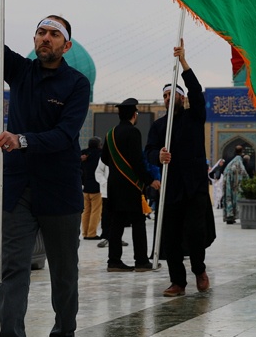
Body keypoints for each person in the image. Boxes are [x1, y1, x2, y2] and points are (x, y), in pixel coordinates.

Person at [0, 0, 91, 337]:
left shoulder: (77, 85)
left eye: (54, 34)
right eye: (41, 32)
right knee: (12, 270)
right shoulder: (21, 72)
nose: (46, 38)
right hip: (20, 186)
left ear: (66, 44)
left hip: (59, 189)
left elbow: (65, 135)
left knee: (64, 269)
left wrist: (21, 139)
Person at [158, 40, 214, 297]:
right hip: (171, 188)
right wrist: (157, 155)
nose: (169, 99)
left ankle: (199, 270)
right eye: (166, 96)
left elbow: (196, 89)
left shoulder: (194, 117)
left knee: (194, 233)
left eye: (173, 95)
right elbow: (149, 149)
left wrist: (183, 63)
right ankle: (177, 282)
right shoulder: (160, 126)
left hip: (194, 187)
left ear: (182, 98)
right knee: (170, 238)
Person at [102, 99, 157, 272]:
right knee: (138, 223)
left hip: (114, 185)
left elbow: (104, 159)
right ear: (134, 115)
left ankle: (114, 261)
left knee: (116, 223)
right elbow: (137, 161)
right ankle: (141, 261)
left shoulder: (110, 134)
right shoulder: (134, 132)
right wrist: (150, 180)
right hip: (130, 185)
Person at [80, 138, 103, 240]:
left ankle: (84, 232)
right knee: (96, 211)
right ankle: (92, 233)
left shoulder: (83, 154)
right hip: (97, 186)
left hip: (86, 186)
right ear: (99, 145)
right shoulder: (100, 154)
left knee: (86, 211)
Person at [220, 153, 247, 224]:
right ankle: (234, 216)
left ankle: (229, 216)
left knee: (229, 200)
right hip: (236, 188)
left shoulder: (228, 166)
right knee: (236, 200)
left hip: (228, 188)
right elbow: (244, 174)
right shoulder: (239, 164)